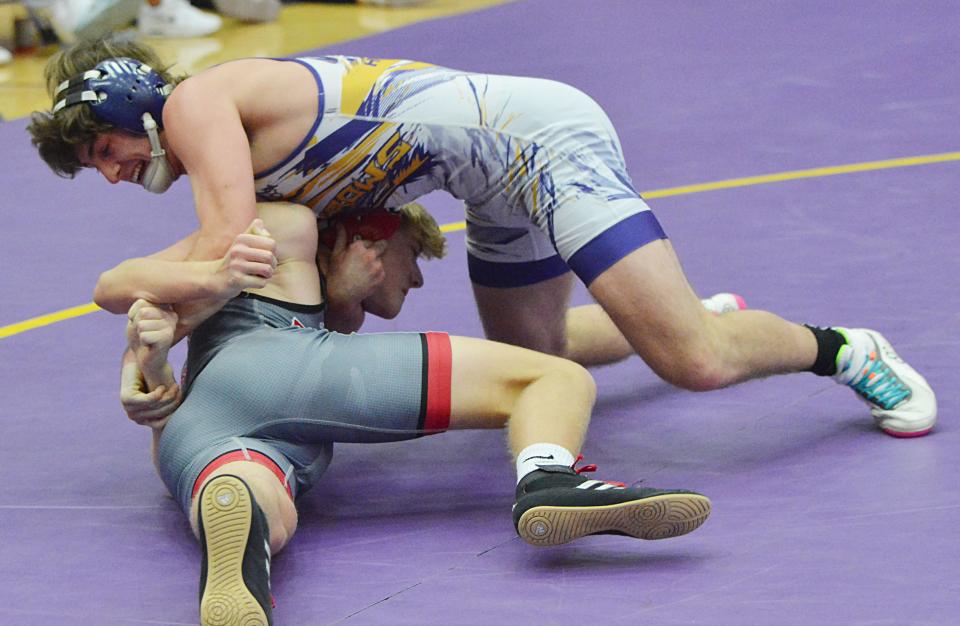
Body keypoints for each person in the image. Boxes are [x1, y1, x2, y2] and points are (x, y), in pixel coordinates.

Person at [28, 38, 936, 438]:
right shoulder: (263, 177)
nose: (110, 174)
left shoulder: (197, 103)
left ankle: (847, 350)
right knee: (538, 354)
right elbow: (342, 313)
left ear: (132, 108)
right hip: (487, 184)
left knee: (693, 365)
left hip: (542, 143)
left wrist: (142, 342)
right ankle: (688, 312)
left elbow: (223, 252)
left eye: (101, 150)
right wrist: (330, 289)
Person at [102, 200, 711, 625]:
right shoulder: (280, 228)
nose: (417, 278)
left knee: (264, 502)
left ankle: (235, 518)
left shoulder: (283, 286)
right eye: (413, 255)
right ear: (371, 240)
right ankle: (550, 478)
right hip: (279, 363)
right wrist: (200, 290)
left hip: (191, 433)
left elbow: (174, 383)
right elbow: (116, 281)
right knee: (553, 377)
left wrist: (150, 362)